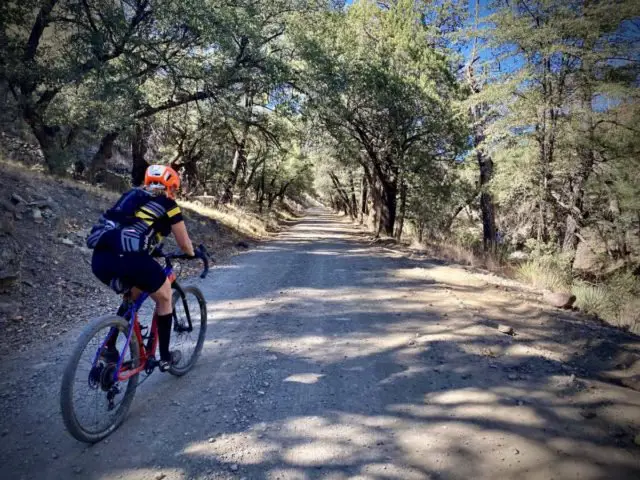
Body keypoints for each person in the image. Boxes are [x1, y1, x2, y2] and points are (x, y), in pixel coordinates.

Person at [87, 165, 196, 371]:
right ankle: (165, 358)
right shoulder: (169, 204)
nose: (174, 192)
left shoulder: (130, 195)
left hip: (101, 259)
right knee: (164, 296)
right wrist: (193, 253)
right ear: (170, 186)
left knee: (133, 294)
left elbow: (128, 227)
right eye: (174, 188)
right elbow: (184, 243)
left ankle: (109, 347)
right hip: (130, 257)